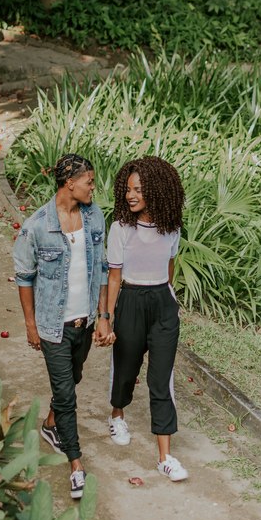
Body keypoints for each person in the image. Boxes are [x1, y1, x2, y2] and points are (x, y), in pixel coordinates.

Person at [13, 153, 113, 500]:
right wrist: (30, 324)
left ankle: (51, 424)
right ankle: (76, 465)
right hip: (52, 325)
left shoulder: (94, 215)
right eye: (89, 181)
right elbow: (24, 278)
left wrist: (102, 316)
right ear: (70, 183)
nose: (93, 187)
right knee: (67, 394)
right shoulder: (37, 226)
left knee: (74, 378)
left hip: (84, 320)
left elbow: (101, 269)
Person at [104, 156, 189, 482]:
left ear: (156, 190)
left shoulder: (172, 229)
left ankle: (165, 457)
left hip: (162, 304)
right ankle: (117, 414)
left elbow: (168, 268)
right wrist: (107, 318)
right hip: (131, 299)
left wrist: (170, 298)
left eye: (138, 189)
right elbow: (114, 277)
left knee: (161, 379)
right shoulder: (121, 229)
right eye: (128, 189)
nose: (130, 195)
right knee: (125, 367)